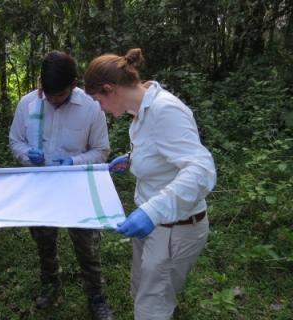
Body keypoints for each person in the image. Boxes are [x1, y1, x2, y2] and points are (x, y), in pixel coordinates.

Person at [84, 48, 216, 320]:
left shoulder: (164, 110)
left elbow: (201, 170)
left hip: (175, 229)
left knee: (151, 308)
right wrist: (133, 159)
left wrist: (152, 211)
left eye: (98, 100)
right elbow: (163, 152)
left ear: (110, 89)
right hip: (154, 226)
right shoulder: (140, 110)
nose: (100, 108)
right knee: (142, 290)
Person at [9, 51, 113, 320]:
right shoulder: (28, 103)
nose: (53, 100)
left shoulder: (91, 107)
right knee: (44, 240)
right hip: (39, 186)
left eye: (59, 95)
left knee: (87, 244)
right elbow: (15, 141)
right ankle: (50, 283)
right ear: (41, 84)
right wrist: (24, 154)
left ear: (73, 85)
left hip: (77, 186)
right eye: (48, 94)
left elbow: (101, 151)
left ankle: (96, 296)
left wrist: (75, 160)